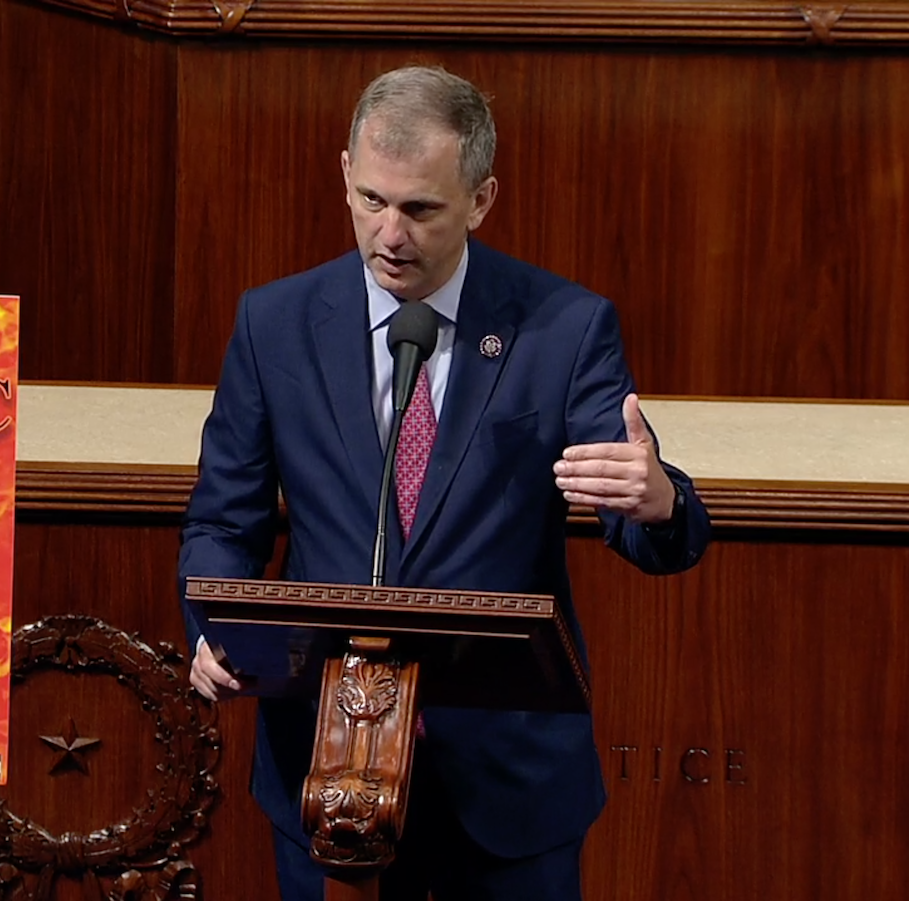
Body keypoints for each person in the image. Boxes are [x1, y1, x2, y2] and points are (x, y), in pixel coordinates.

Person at [178, 65, 710, 900]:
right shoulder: (274, 323)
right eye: (369, 199)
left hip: (506, 780)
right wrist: (214, 627)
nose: (389, 233)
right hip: (327, 762)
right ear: (344, 173)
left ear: (480, 199)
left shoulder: (563, 327)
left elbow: (642, 520)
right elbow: (221, 521)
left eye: (420, 208)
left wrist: (660, 500)